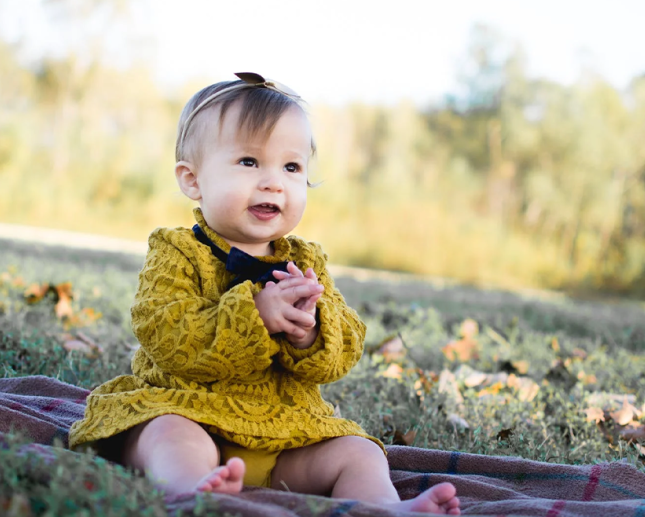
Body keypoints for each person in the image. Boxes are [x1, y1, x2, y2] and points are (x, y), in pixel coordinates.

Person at [69, 73, 460, 515]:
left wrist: (310, 332)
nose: (274, 182)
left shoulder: (305, 261)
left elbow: (346, 344)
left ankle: (385, 509)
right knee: (165, 435)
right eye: (250, 162)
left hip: (285, 435)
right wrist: (254, 315)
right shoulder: (176, 251)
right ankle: (193, 491)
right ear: (193, 180)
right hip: (190, 410)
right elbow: (166, 330)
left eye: (291, 167)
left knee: (360, 452)